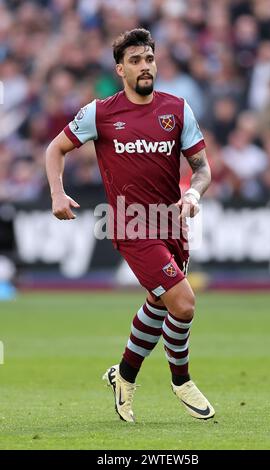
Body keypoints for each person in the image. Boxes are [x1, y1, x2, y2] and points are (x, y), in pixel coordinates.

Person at [46, 28, 214, 423]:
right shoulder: (101, 113)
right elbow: (55, 148)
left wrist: (193, 195)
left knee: (158, 304)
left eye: (149, 59)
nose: (145, 66)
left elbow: (202, 168)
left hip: (171, 223)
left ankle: (123, 377)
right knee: (184, 304)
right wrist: (57, 192)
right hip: (131, 225)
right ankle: (182, 380)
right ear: (121, 69)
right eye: (136, 61)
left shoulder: (177, 109)